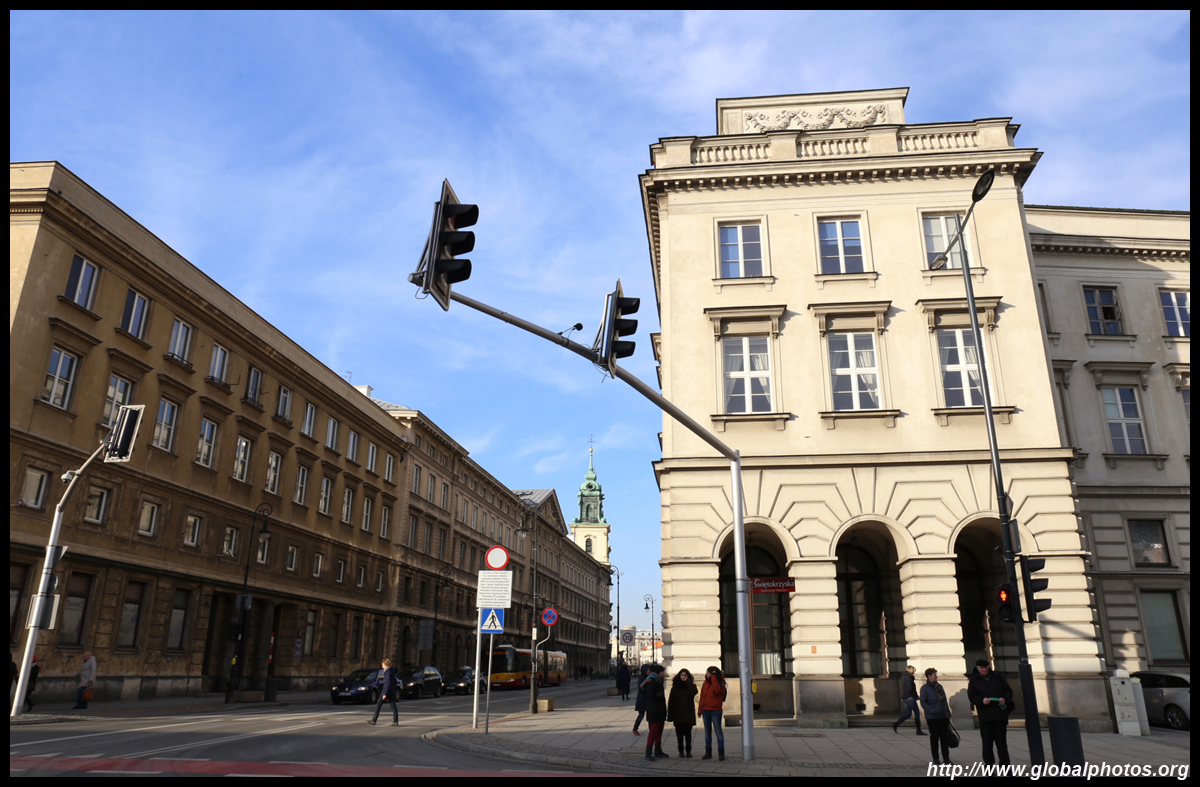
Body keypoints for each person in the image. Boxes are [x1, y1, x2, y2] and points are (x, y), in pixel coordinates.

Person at [967, 658, 1013, 766]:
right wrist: (982, 701)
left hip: (999, 715)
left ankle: (1005, 766)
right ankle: (989, 766)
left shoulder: (997, 676)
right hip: (985, 716)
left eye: (985, 668)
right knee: (987, 744)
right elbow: (972, 696)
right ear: (978, 668)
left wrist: (1005, 699)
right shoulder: (974, 680)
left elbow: (1008, 690)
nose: (984, 670)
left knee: (1002, 744)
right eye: (981, 668)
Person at [919, 667, 952, 766]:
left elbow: (944, 700)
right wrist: (932, 711)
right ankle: (936, 758)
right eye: (934, 675)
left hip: (943, 716)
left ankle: (946, 759)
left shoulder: (939, 686)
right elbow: (923, 702)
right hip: (932, 718)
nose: (936, 677)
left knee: (944, 738)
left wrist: (948, 713)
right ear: (929, 677)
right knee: (934, 738)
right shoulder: (925, 688)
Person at [667, 667, 698, 757]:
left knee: (688, 734)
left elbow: (694, 692)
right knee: (679, 735)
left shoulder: (691, 686)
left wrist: (688, 682)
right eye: (682, 675)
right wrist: (670, 715)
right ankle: (681, 751)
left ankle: (688, 751)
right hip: (678, 714)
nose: (684, 677)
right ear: (679, 676)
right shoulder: (675, 687)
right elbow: (671, 702)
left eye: (685, 675)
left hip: (688, 714)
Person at [698, 665, 727, 761]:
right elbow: (702, 697)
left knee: (718, 731)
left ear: (713, 674)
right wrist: (700, 710)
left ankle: (721, 752)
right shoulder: (705, 683)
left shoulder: (720, 682)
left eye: (709, 673)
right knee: (707, 732)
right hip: (706, 710)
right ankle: (708, 751)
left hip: (716, 710)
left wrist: (714, 677)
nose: (707, 674)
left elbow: (717, 690)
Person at [641, 664, 669, 761]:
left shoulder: (658, 681)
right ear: (658, 673)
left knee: (659, 732)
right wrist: (656, 710)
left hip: (660, 711)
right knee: (653, 732)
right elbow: (650, 699)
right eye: (662, 672)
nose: (663, 673)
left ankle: (658, 750)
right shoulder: (652, 683)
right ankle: (648, 753)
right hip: (654, 712)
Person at [892, 665, 925, 735]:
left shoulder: (904, 677)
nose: (914, 673)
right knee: (917, 713)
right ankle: (918, 730)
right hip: (910, 697)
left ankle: (896, 724)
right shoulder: (908, 678)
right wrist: (915, 696)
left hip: (904, 697)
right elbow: (910, 688)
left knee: (908, 714)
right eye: (913, 671)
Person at [367, 659, 399, 726]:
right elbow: (394, 682)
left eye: (383, 665)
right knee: (393, 706)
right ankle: (395, 721)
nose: (382, 667)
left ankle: (374, 720)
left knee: (378, 704)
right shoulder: (391, 671)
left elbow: (388, 683)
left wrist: (385, 693)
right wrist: (393, 690)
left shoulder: (388, 672)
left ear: (386, 665)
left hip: (387, 692)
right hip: (391, 691)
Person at [632, 663, 652, 735]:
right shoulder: (642, 678)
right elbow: (641, 689)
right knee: (641, 715)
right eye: (647, 670)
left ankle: (651, 729)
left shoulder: (650, 677)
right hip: (642, 700)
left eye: (649, 669)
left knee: (650, 715)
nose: (649, 671)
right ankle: (635, 728)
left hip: (648, 699)